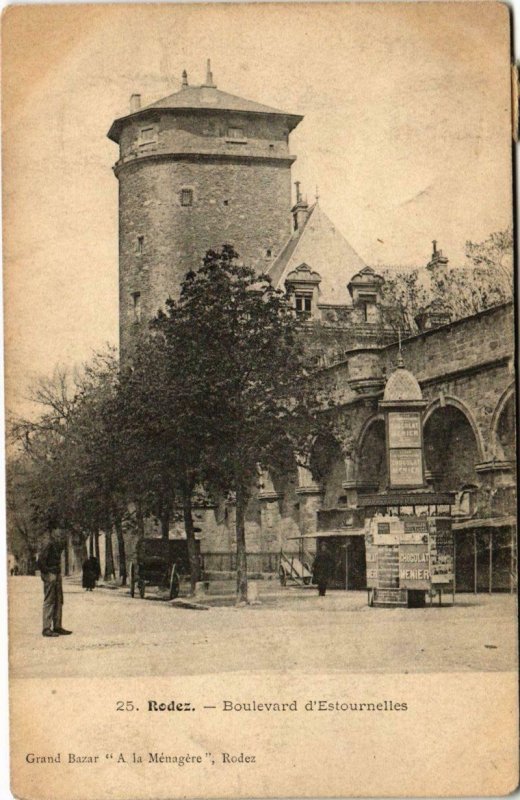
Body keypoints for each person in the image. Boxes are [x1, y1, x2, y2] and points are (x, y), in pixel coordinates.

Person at [37, 530, 72, 637]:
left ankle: (57, 626)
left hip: (56, 574)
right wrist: (48, 573)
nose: (62, 536)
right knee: (49, 600)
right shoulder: (49, 543)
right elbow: (40, 561)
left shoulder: (58, 544)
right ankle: (46, 628)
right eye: (60, 534)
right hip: (51, 574)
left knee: (59, 600)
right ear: (54, 533)